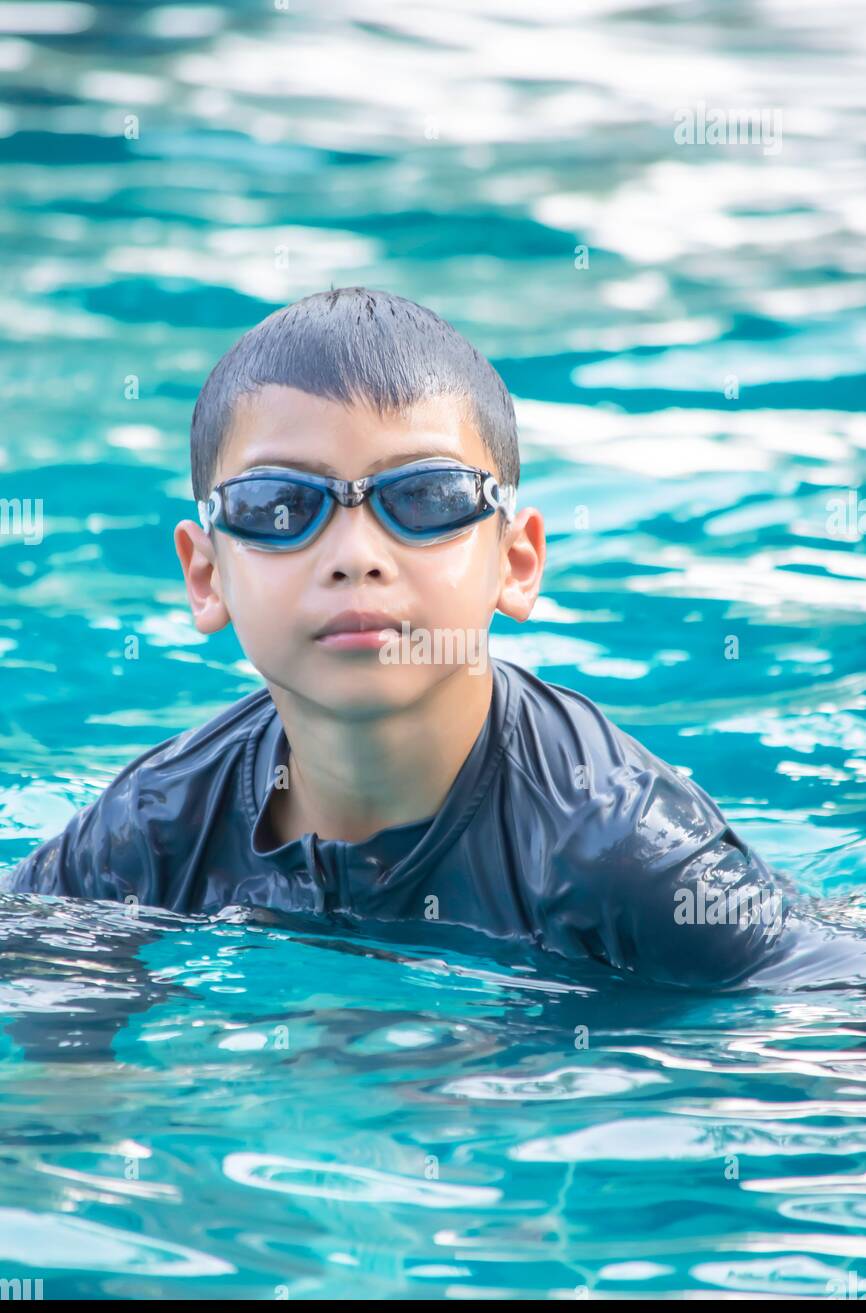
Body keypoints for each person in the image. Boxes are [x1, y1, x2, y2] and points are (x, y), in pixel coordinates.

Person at [2, 287, 860, 991]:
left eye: (425, 498)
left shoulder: (621, 850)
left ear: (515, 563)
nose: (356, 556)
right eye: (279, 507)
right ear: (206, 576)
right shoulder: (150, 836)